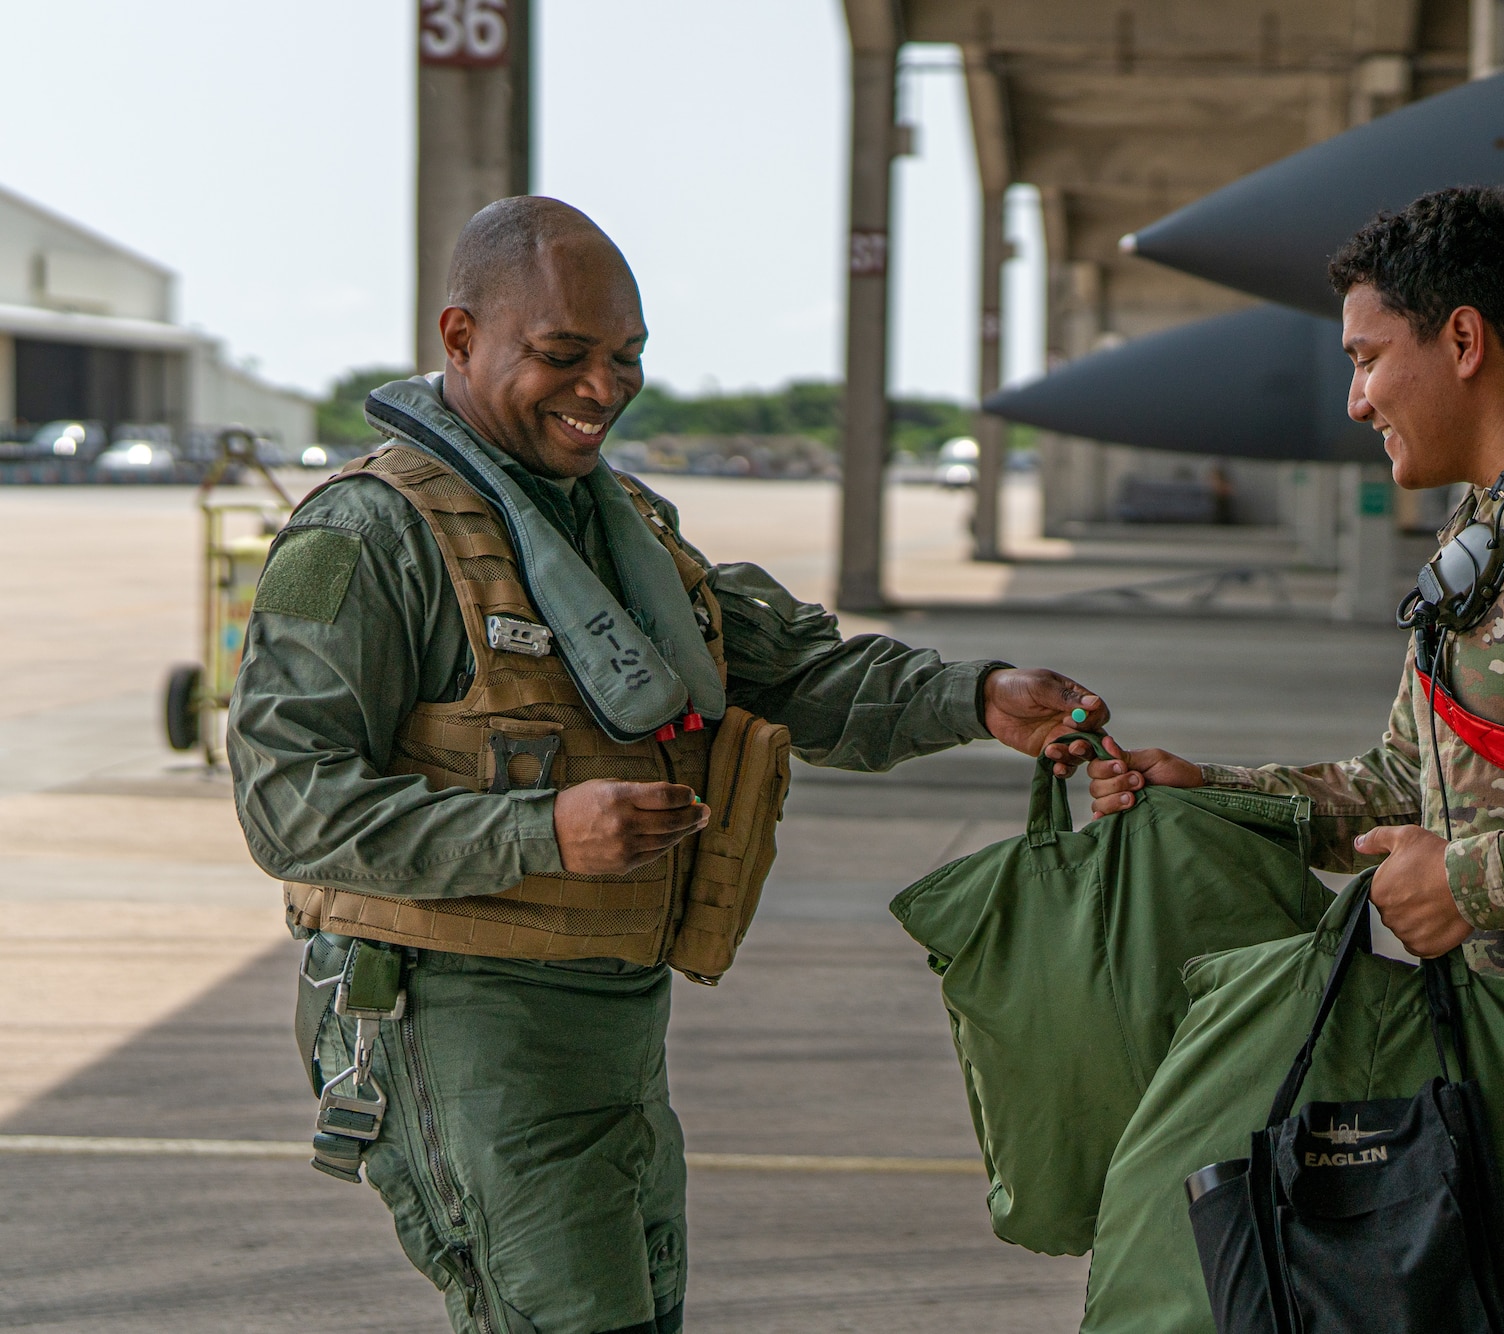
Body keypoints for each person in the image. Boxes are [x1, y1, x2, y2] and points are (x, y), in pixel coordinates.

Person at [230, 196, 1108, 1334]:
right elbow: (286, 802)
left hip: (616, 1025)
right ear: (459, 338)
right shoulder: (362, 536)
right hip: (462, 1027)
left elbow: (786, 671)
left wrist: (979, 695)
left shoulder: (623, 525)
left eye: (626, 358)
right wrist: (542, 833)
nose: (603, 388)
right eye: (563, 356)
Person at [1054, 187, 1504, 1334]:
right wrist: (1213, 790)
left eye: (1366, 358)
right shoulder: (1490, 531)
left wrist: (1468, 880)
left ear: (1461, 339)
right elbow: (1402, 785)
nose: (1355, 398)